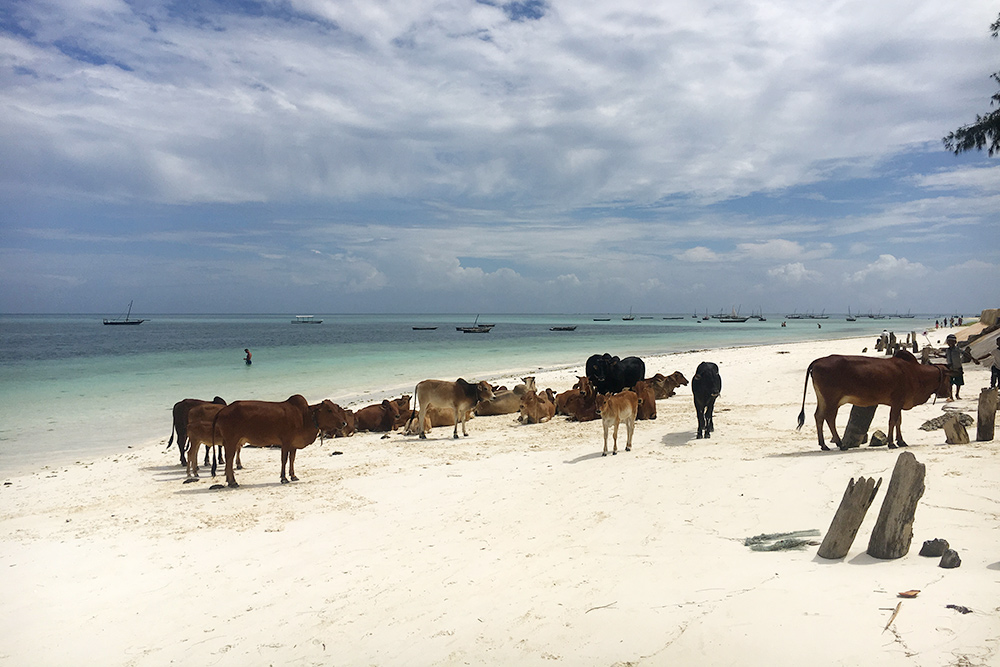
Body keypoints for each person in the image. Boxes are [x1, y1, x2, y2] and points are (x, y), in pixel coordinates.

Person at [943, 334, 964, 400]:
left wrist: (974, 359)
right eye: (948, 342)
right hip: (950, 368)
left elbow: (965, 353)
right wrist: (938, 355)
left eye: (951, 341)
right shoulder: (947, 350)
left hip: (958, 367)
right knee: (950, 383)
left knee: (958, 383)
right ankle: (951, 395)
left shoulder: (957, 349)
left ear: (955, 342)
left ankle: (957, 394)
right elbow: (946, 356)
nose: (950, 343)